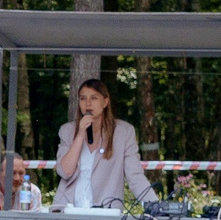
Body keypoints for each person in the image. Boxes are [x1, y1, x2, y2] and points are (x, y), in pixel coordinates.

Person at [56, 78, 154, 211]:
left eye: (94, 98)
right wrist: (79, 136)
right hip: (68, 209)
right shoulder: (67, 131)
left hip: (105, 210)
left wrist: (154, 207)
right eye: (83, 98)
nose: (88, 103)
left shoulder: (123, 132)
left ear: (105, 102)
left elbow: (135, 176)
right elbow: (65, 172)